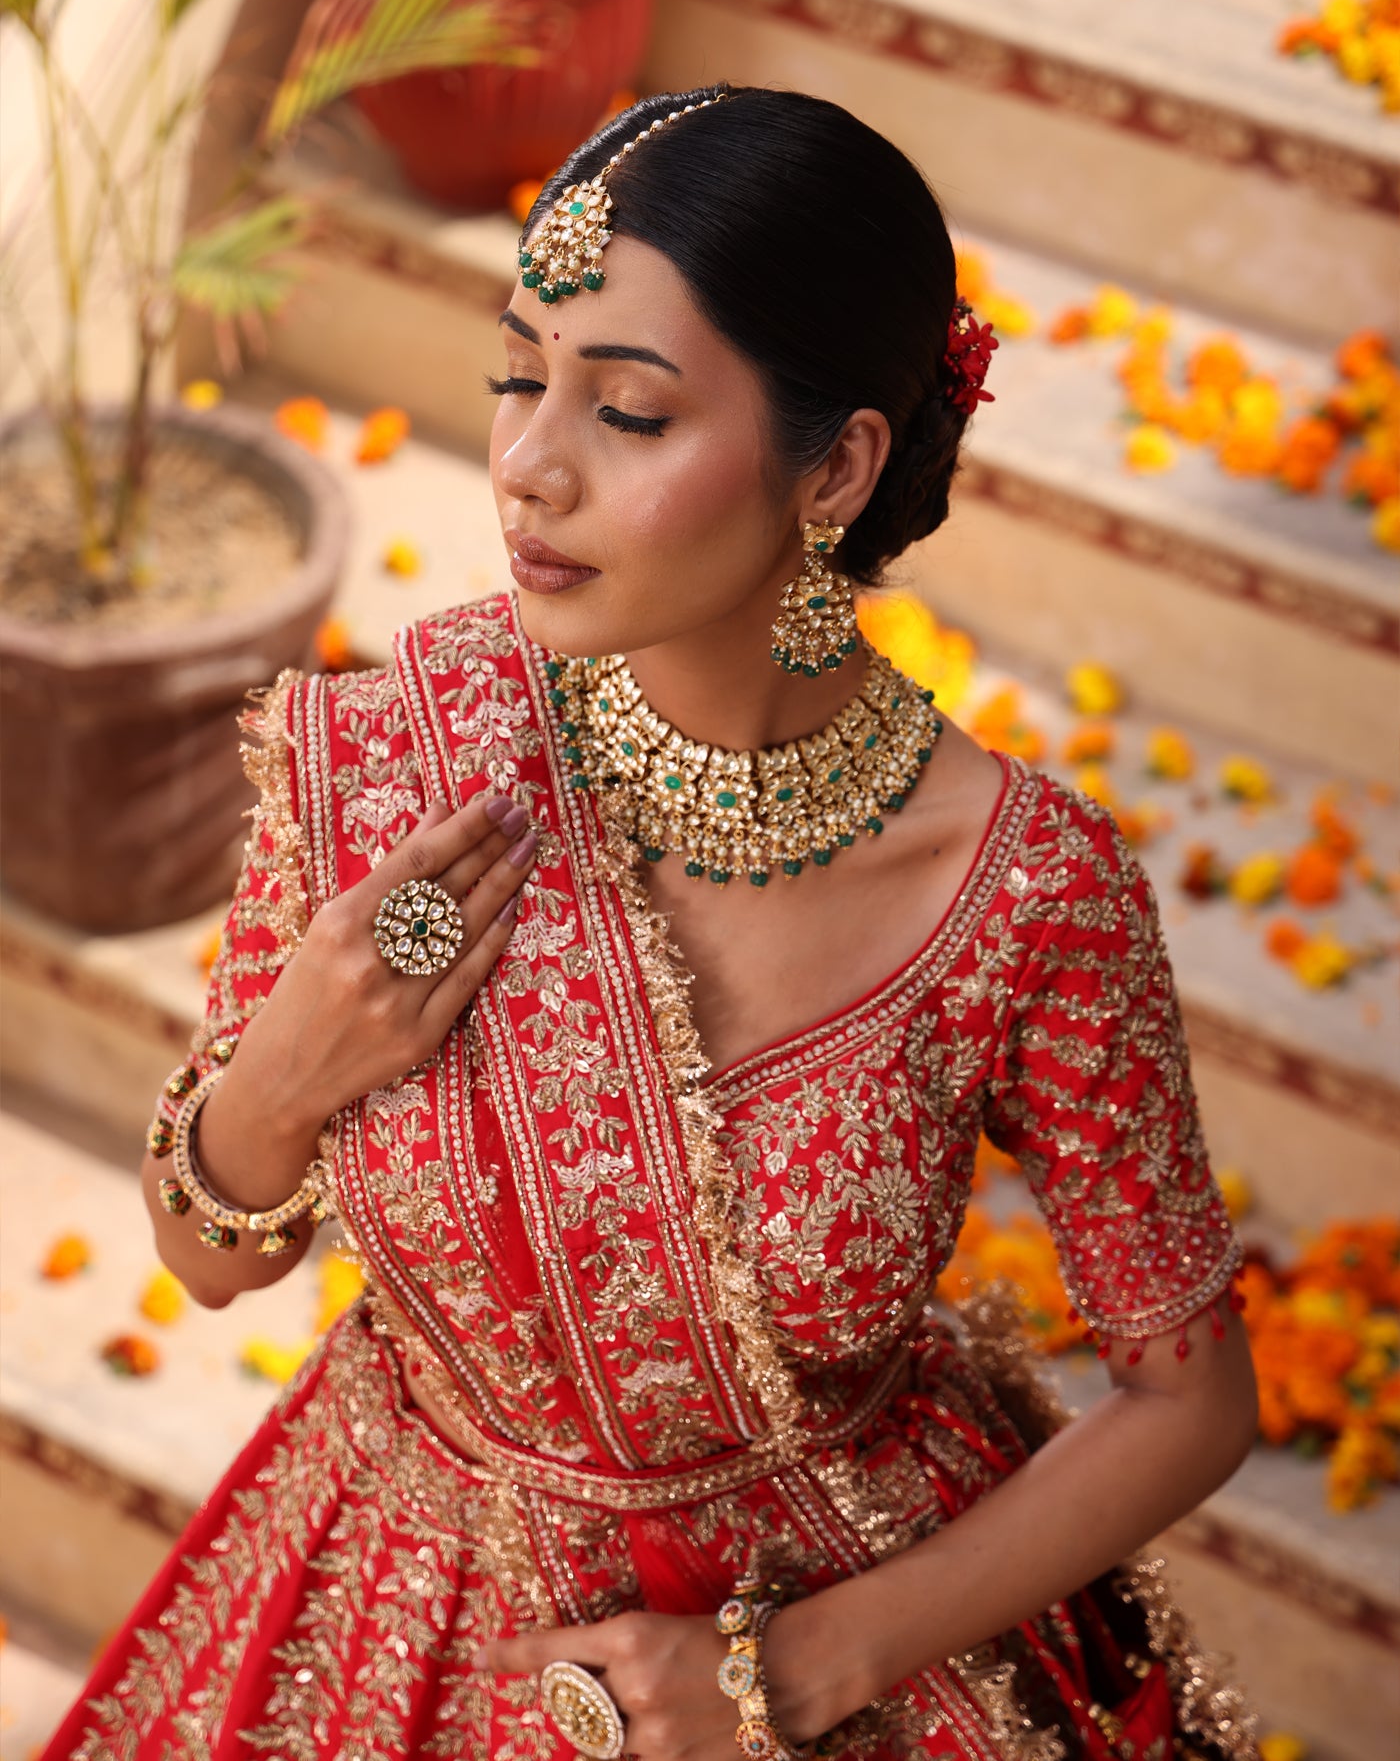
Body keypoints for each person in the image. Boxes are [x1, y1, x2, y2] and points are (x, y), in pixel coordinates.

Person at [47, 85, 1260, 1761]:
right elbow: (206, 1256)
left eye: (625, 413)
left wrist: (801, 1671)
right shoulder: (411, 758)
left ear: (834, 463)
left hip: (839, 1642)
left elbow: (1192, 1398)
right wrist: (297, 1059)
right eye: (514, 379)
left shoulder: (1026, 897)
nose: (529, 467)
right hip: (398, 1614)